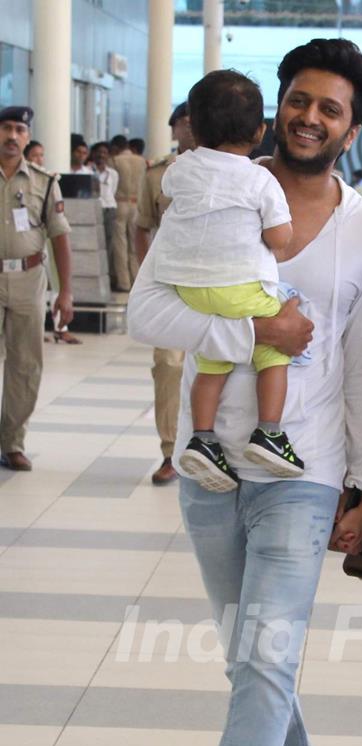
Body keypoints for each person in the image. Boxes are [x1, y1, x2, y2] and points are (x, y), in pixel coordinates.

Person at [127, 38, 362, 746]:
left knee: (265, 651)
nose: (311, 118)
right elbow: (146, 311)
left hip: (303, 463)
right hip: (214, 462)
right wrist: (253, 336)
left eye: (333, 109)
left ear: (353, 128)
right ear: (277, 102)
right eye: (302, 100)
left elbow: (359, 363)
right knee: (252, 656)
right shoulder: (212, 189)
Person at [154, 70, 302, 490]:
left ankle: (202, 439)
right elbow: (278, 238)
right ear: (261, 132)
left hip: (189, 290)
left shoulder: (180, 169)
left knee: (213, 362)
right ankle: (270, 433)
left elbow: (172, 194)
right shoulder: (260, 179)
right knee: (275, 350)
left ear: (193, 127)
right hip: (239, 289)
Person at [0, 106, 74, 472]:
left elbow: (59, 236)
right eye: (6, 128)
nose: (12, 136)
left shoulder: (44, 182)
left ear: (27, 137)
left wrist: (66, 292)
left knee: (25, 365)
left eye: (19, 130)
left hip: (29, 280)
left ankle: (13, 442)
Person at [135, 102, 194, 486]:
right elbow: (142, 226)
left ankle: (211, 449)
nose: (193, 128)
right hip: (171, 288)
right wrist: (146, 279)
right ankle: (171, 451)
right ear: (174, 128)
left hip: (224, 290)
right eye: (186, 122)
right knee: (169, 368)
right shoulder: (157, 173)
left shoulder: (243, 173)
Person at [109, 133, 146, 291]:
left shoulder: (115, 160)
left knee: (120, 244)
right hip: (136, 204)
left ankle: (123, 282)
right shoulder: (142, 161)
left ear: (116, 147)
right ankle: (136, 279)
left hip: (120, 203)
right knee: (134, 245)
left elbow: (111, 184)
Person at [90, 141, 119, 286]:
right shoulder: (89, 171)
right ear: (93, 154)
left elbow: (112, 191)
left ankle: (106, 278)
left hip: (109, 210)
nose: (101, 155)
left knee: (108, 244)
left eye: (104, 152)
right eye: (98, 152)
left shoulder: (113, 173)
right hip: (93, 210)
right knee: (93, 244)